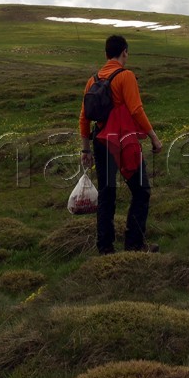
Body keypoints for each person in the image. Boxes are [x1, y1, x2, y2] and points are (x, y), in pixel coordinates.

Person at [79, 35, 164, 254]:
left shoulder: (93, 80)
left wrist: (85, 149)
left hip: (100, 141)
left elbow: (83, 118)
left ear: (106, 54)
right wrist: (154, 137)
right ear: (124, 52)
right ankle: (135, 244)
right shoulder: (126, 76)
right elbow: (136, 109)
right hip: (124, 141)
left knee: (107, 194)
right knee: (141, 191)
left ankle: (105, 248)